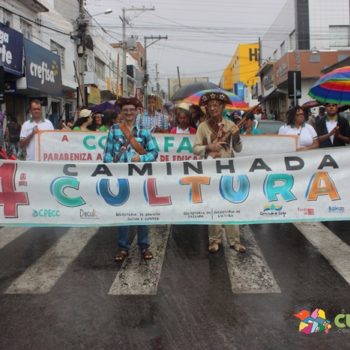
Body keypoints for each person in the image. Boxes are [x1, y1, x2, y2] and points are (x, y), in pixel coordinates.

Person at [103, 97, 158, 262]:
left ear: (137, 112)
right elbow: (107, 153)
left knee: (142, 211)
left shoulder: (144, 131)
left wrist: (140, 159)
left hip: (140, 177)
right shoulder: (114, 130)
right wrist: (110, 169)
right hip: (121, 177)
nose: (128, 113)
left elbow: (154, 153)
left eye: (131, 110)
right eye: (125, 110)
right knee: (123, 212)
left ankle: (144, 246)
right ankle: (123, 247)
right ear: (121, 112)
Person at [192, 91, 246, 254]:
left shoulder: (230, 125)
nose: (213, 108)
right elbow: (195, 148)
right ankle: (214, 240)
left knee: (230, 204)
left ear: (222, 107)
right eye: (210, 106)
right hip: (211, 169)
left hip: (228, 169)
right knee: (214, 204)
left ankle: (234, 240)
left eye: (216, 105)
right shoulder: (203, 127)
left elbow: (238, 148)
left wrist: (236, 136)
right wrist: (209, 147)